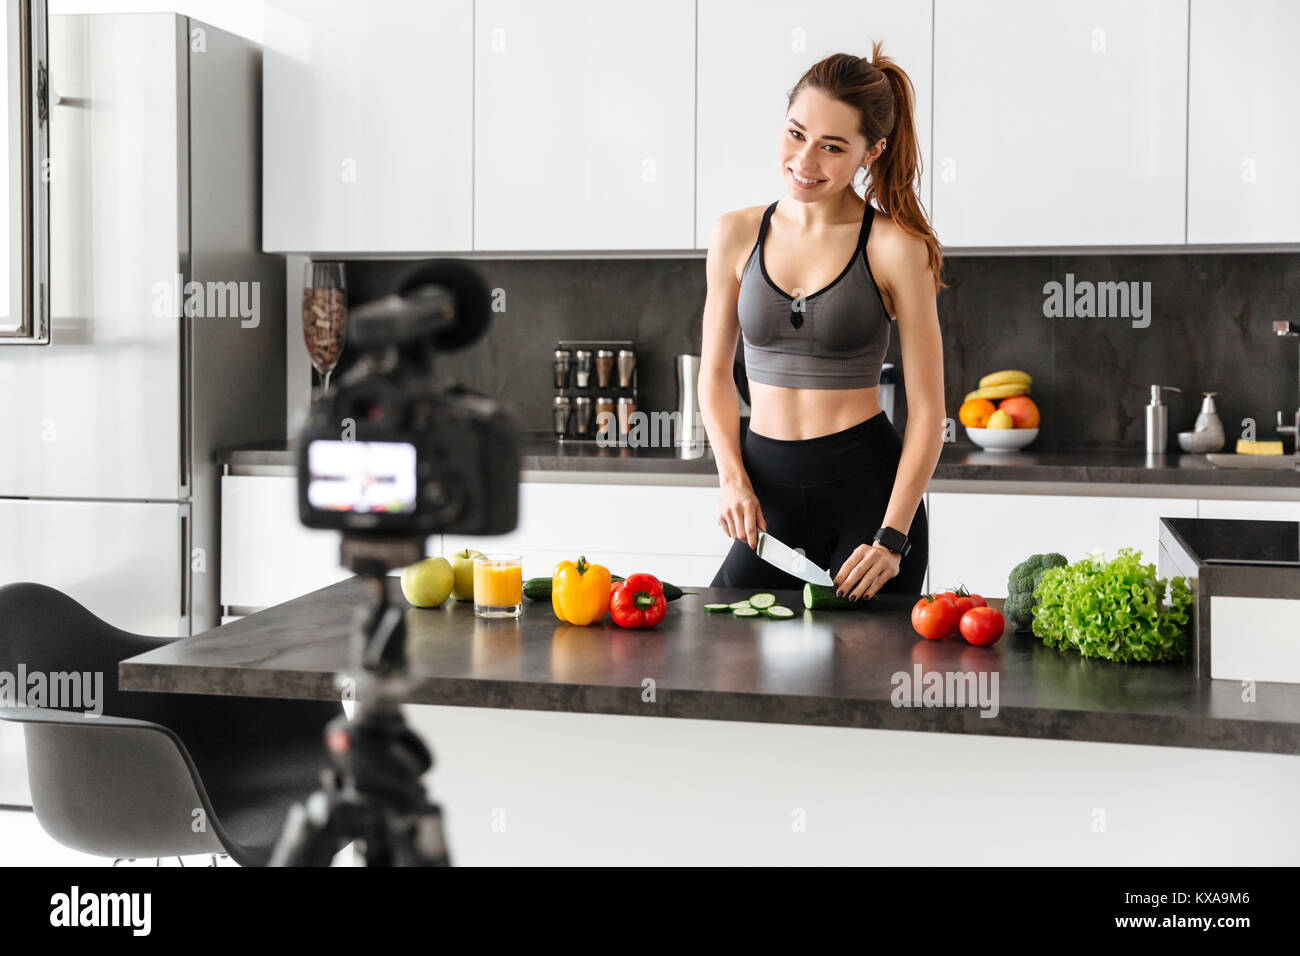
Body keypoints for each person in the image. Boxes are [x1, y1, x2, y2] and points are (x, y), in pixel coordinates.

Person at [699, 43, 946, 601]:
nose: (804, 162)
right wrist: (731, 478)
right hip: (764, 500)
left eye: (832, 147)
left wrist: (893, 537)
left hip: (871, 503)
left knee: (860, 683)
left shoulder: (897, 247)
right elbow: (714, 376)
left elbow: (929, 410)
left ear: (871, 151)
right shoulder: (735, 234)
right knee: (725, 666)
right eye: (795, 134)